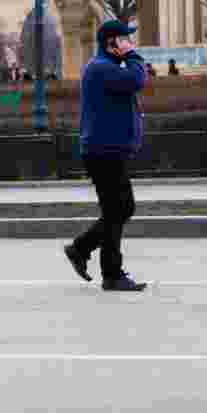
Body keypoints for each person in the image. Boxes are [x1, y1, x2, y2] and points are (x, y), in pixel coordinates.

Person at [64, 20, 147, 292]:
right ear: (111, 43)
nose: (130, 44)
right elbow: (137, 80)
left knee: (119, 210)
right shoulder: (100, 68)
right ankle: (107, 271)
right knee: (118, 210)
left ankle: (84, 251)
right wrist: (132, 55)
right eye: (125, 40)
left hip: (108, 150)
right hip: (103, 151)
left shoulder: (107, 67)